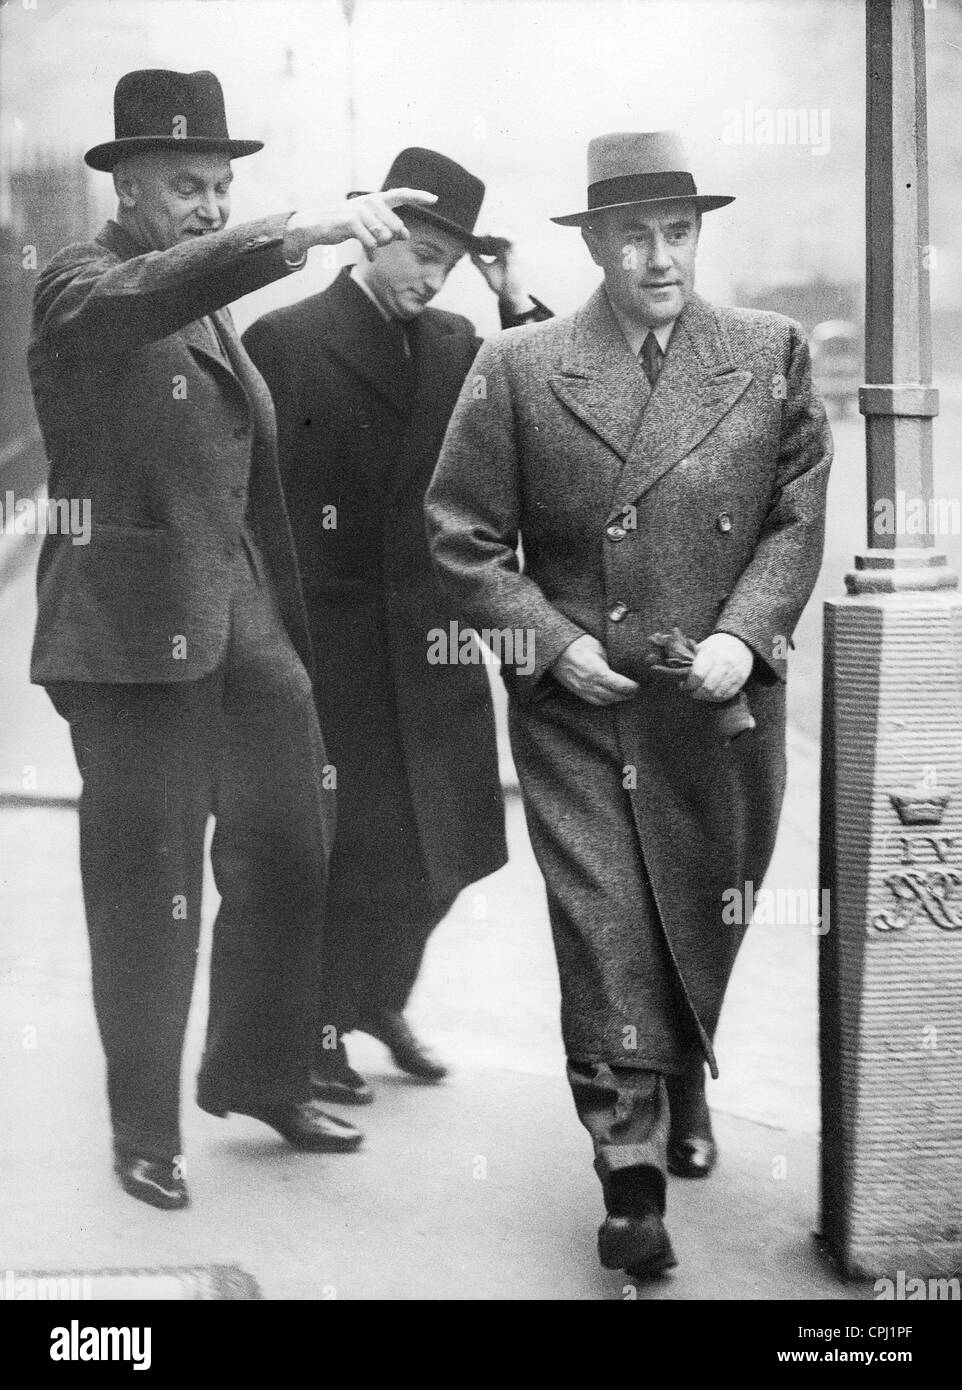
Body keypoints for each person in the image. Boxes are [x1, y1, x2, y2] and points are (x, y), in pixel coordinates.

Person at [28, 67, 438, 1209]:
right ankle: (143, 1130)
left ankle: (256, 1069)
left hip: (241, 623)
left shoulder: (196, 296)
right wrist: (292, 228)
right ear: (130, 188)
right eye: (188, 186)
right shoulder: (83, 283)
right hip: (127, 636)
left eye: (222, 186)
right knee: (147, 888)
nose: (209, 205)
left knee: (293, 848)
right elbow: (141, 296)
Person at [425, 131, 832, 1278]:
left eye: (678, 231)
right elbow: (458, 535)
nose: (659, 256)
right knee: (603, 928)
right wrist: (549, 647)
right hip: (582, 707)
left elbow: (794, 518)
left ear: (697, 234)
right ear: (594, 243)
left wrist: (740, 638)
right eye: (633, 235)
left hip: (713, 708)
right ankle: (629, 1171)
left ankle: (682, 1073)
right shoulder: (518, 366)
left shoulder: (767, 352)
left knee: (702, 913)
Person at [243, 148, 550, 1103]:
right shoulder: (287, 340)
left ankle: (376, 998)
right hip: (331, 649)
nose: (431, 276)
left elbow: (549, 409)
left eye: (449, 263)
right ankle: (323, 1028)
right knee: (355, 855)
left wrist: (512, 296)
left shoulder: (460, 341)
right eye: (420, 252)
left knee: (446, 851)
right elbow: (256, 506)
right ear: (371, 230)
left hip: (434, 644)